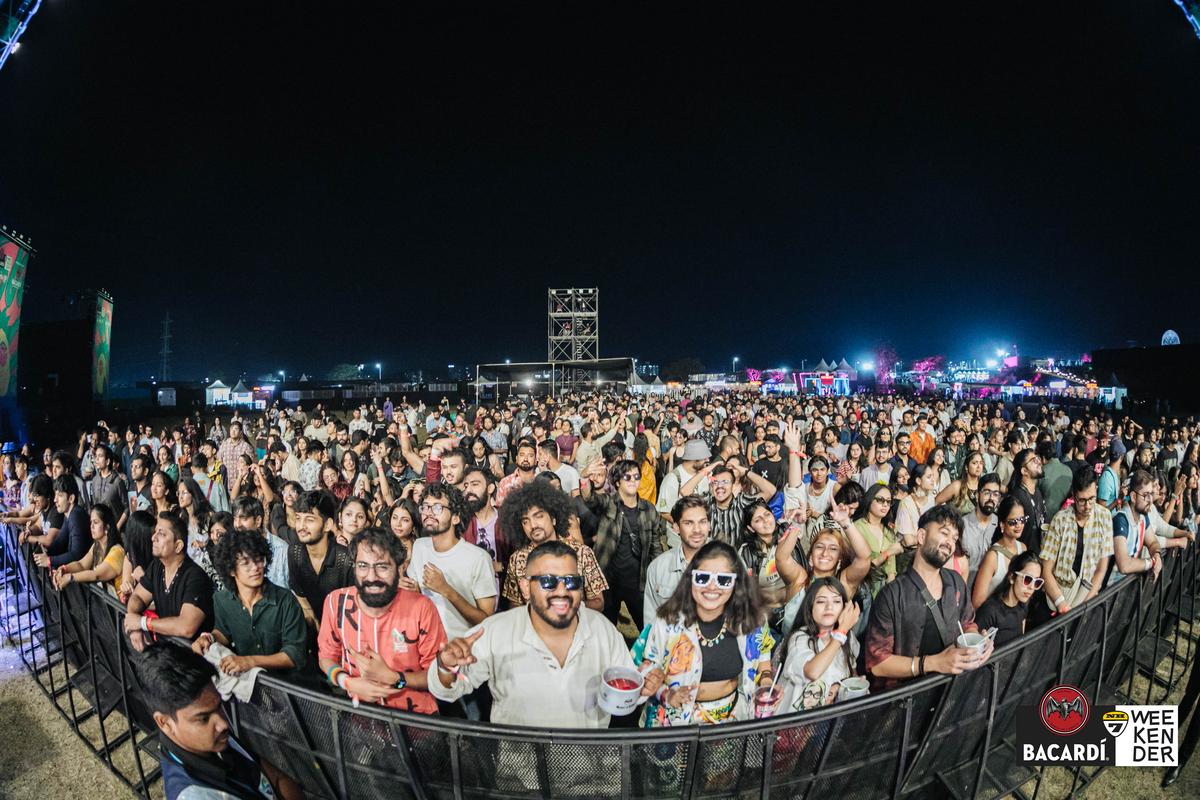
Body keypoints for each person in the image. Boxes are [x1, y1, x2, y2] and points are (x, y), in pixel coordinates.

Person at [430, 539, 662, 727]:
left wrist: (642, 688)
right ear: (525, 587)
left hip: (591, 774)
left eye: (571, 582)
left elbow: (625, 691)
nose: (562, 591)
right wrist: (446, 667)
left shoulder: (602, 630)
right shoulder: (494, 632)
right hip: (522, 778)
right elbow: (450, 689)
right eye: (549, 582)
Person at [634, 540, 775, 726]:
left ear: (736, 583)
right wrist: (664, 693)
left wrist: (766, 683)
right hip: (674, 724)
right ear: (690, 578)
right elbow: (640, 674)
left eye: (724, 580)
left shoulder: (751, 622)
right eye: (703, 578)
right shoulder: (666, 623)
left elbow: (763, 664)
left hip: (732, 724)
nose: (712, 586)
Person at [137, 645, 301, 800]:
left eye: (219, 706)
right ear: (164, 723)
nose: (223, 723)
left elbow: (276, 778)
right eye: (203, 718)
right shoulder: (195, 795)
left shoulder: (211, 740)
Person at [864, 504, 993, 691]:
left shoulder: (956, 583)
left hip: (948, 693)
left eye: (955, 538)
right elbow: (877, 663)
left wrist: (978, 643)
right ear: (921, 536)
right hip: (905, 701)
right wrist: (932, 663)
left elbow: (967, 623)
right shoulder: (891, 595)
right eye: (944, 533)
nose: (950, 542)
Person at [318, 527, 447, 713]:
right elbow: (326, 657)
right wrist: (346, 682)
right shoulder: (335, 603)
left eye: (382, 567)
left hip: (416, 725)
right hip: (358, 723)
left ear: (400, 568)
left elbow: (440, 677)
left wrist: (396, 678)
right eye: (363, 566)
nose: (371, 577)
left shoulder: (422, 608)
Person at [193, 528, 308, 678]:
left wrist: (250, 661)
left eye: (259, 559)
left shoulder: (285, 601)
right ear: (231, 570)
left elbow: (295, 654)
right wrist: (209, 638)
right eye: (245, 563)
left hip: (289, 685)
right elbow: (224, 632)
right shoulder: (222, 600)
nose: (255, 567)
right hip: (252, 684)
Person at [579, 457, 672, 633]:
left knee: (649, 629)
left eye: (636, 477)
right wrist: (584, 475)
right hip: (608, 579)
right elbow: (589, 498)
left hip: (637, 581)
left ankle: (649, 659)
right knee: (605, 630)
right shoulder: (608, 503)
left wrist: (659, 575)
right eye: (627, 477)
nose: (633, 481)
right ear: (617, 481)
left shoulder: (648, 509)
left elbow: (655, 545)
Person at [406, 482, 497, 641]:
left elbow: (486, 621)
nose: (429, 513)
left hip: (461, 650)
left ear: (455, 517)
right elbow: (419, 596)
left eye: (438, 508)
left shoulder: (478, 558)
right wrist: (412, 591)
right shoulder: (420, 546)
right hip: (425, 647)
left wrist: (446, 590)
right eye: (425, 507)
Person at [500, 480, 607, 611]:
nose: (533, 525)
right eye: (525, 521)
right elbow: (514, 606)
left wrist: (565, 605)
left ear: (554, 518)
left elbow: (599, 602)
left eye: (538, 516)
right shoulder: (517, 560)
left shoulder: (581, 553)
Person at [1033, 467, 1113, 628]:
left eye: (1092, 499)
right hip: (1056, 598)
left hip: (1085, 597)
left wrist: (1086, 603)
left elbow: (1101, 568)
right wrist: (1061, 603)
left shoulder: (1104, 517)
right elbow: (1046, 569)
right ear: (1073, 496)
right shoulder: (1060, 520)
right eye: (1082, 500)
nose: (1088, 505)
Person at [124, 511, 215, 652]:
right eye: (155, 532)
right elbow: (138, 597)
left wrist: (142, 623)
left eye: (161, 533)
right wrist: (133, 622)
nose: (153, 537)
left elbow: (186, 627)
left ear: (178, 546)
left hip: (193, 660)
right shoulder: (157, 566)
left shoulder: (196, 577)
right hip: (167, 653)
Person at [778, 576, 861, 710]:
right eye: (821, 602)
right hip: (795, 723)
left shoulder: (848, 638)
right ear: (810, 607)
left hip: (829, 723)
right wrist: (841, 633)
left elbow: (851, 671)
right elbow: (812, 672)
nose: (829, 607)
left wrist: (853, 684)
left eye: (836, 601)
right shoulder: (799, 638)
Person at [288, 490, 354, 627]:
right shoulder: (295, 552)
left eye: (309, 520)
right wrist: (317, 626)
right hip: (312, 627)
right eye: (298, 518)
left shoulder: (346, 560)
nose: (301, 526)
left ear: (327, 525)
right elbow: (301, 597)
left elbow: (353, 611)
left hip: (343, 627)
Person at [646, 495, 712, 623]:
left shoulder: (730, 562)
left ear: (709, 524)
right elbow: (651, 623)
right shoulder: (658, 568)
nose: (697, 529)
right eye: (688, 523)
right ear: (676, 527)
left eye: (702, 522)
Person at [680, 460, 777, 546]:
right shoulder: (706, 502)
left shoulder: (741, 502)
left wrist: (745, 472)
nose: (719, 486)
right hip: (710, 560)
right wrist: (708, 469)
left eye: (725, 482)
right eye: (715, 482)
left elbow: (770, 491)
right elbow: (685, 491)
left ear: (732, 485)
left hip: (736, 561)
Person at [50, 502, 125, 598]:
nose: (92, 526)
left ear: (107, 527)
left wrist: (70, 577)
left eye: (96, 522)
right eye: (91, 522)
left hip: (119, 609)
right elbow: (81, 565)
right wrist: (64, 569)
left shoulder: (117, 551)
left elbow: (96, 575)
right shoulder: (96, 546)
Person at [1108, 469, 1165, 585]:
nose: (1150, 500)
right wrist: (1151, 563)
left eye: (1151, 494)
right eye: (1145, 495)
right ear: (1133, 497)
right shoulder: (1120, 520)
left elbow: (1153, 542)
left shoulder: (1143, 517)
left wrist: (1157, 555)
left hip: (1123, 590)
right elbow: (1124, 565)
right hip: (1107, 594)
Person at [975, 551, 1042, 648]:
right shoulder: (990, 611)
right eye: (1027, 579)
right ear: (1012, 577)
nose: (1031, 587)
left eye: (1037, 582)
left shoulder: (1023, 606)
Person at [30, 476, 91, 570]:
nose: (55, 500)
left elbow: (76, 554)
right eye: (55, 495)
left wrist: (50, 560)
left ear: (71, 498)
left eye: (60, 496)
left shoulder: (76, 515)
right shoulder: (69, 515)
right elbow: (60, 542)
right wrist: (46, 551)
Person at [231, 495, 290, 589]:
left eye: (244, 518)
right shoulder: (234, 548)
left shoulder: (281, 550)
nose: (237, 524)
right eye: (235, 518)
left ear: (258, 521)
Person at [960, 473, 1002, 586]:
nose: (991, 498)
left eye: (995, 494)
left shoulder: (1001, 526)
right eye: (987, 492)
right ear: (978, 495)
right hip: (965, 590)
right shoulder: (963, 525)